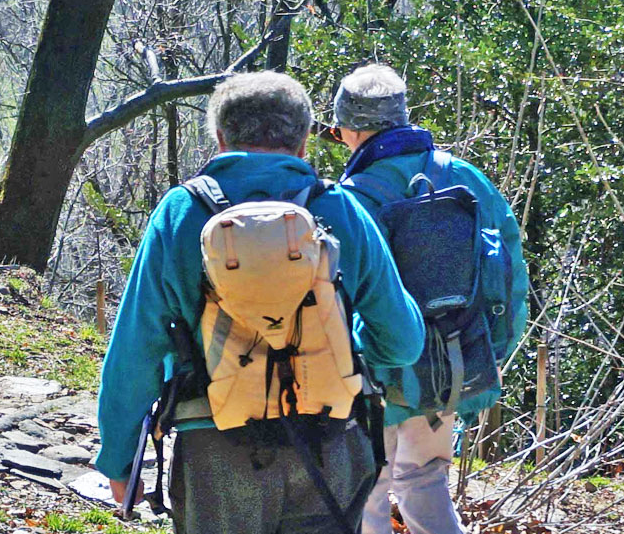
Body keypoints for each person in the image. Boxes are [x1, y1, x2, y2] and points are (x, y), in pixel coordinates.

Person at [94, 72, 423, 534]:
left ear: (220, 137)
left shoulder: (181, 213)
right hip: (330, 441)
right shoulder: (341, 208)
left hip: (216, 447)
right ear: (305, 141)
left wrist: (118, 456)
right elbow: (404, 342)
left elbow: (135, 349)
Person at [322, 66, 527, 534]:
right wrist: (493, 351)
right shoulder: (465, 177)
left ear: (349, 127)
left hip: (375, 373)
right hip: (453, 358)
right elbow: (510, 269)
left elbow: (338, 296)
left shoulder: (350, 197)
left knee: (367, 489)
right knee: (425, 480)